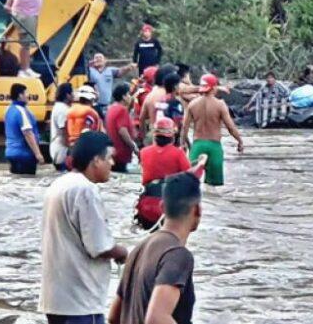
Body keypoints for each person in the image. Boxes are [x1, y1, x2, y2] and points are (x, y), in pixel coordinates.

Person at [39, 131, 129, 324]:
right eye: (109, 158)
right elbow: (99, 246)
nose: (112, 164)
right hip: (80, 301)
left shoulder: (59, 184)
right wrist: (124, 253)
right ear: (96, 160)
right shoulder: (86, 190)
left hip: (56, 298)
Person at [110, 172, 202, 324]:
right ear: (198, 210)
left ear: (162, 207)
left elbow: (114, 317)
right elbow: (156, 318)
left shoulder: (139, 248)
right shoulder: (177, 255)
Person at [136, 116, 206, 230]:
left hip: (145, 206)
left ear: (154, 135)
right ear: (172, 137)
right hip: (169, 207)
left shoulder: (143, 152)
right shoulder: (178, 154)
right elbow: (190, 177)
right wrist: (201, 163)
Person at [181, 73, 244, 186]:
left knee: (189, 183)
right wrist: (239, 141)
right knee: (214, 188)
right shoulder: (220, 105)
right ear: (214, 88)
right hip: (214, 147)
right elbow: (230, 127)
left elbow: (184, 127)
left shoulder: (192, 104)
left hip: (197, 146)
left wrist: (183, 144)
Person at [3, 0, 44, 77]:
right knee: (25, 42)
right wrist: (8, 4)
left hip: (30, 13)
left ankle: (26, 68)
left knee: (27, 43)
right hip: (24, 14)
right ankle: (24, 69)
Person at [5, 83, 45, 174]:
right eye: (26, 93)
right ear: (20, 95)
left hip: (10, 153)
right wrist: (38, 154)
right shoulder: (22, 111)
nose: (28, 96)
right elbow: (28, 134)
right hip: (24, 154)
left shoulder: (8, 109)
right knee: (29, 181)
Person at [88, 52, 135, 118]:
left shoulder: (110, 70)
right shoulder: (89, 70)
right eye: (96, 58)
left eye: (100, 57)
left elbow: (120, 72)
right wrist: (88, 64)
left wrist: (129, 67)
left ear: (105, 60)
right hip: (93, 105)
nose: (98, 59)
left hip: (106, 105)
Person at [106, 83, 139, 173]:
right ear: (123, 96)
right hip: (121, 152)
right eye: (128, 94)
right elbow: (122, 131)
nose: (130, 97)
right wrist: (133, 146)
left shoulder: (111, 108)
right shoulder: (121, 110)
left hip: (113, 152)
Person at [50, 83, 75, 171]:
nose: (74, 95)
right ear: (68, 95)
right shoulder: (63, 110)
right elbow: (64, 130)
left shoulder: (58, 106)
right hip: (61, 150)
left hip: (58, 148)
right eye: (73, 93)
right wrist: (71, 149)